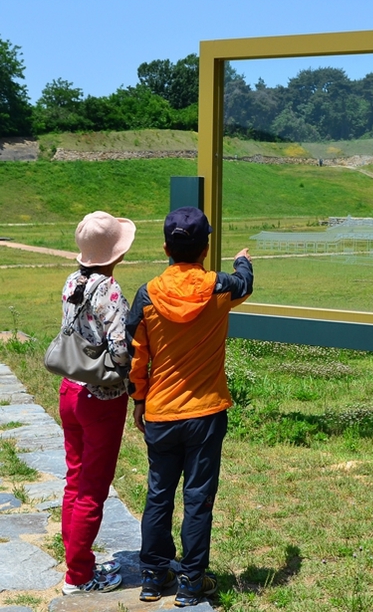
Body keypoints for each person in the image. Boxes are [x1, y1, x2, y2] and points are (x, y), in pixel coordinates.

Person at [126, 206, 253, 607]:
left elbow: (135, 358)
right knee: (198, 498)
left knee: (158, 495)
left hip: (161, 412)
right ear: (206, 247)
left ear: (166, 246)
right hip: (206, 413)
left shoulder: (147, 294)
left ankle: (151, 576)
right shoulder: (220, 288)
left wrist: (140, 400)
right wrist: (243, 261)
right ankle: (191, 582)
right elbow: (246, 284)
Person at [58, 211, 136, 595]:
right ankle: (80, 576)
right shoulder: (110, 291)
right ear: (115, 254)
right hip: (100, 397)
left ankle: (75, 558)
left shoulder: (72, 281)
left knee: (74, 479)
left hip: (69, 390)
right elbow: (120, 348)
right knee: (93, 487)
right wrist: (129, 371)